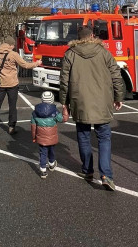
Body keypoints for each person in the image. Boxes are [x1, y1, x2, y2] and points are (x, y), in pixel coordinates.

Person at [59, 25, 124, 191]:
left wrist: (64, 104)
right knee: (104, 138)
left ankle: (88, 170)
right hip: (102, 101)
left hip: (79, 101)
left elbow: (64, 82)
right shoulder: (104, 52)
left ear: (78, 38)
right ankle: (106, 175)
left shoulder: (70, 54)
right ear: (93, 35)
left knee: (83, 136)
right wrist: (118, 96)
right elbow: (116, 74)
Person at [0, 36, 42, 135]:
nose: (13, 47)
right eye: (12, 45)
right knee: (12, 106)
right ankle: (11, 127)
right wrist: (36, 63)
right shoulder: (13, 54)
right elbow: (25, 65)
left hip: (1, 83)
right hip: (12, 83)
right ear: (10, 45)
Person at [31, 90, 66, 179]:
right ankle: (51, 163)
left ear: (42, 99)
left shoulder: (35, 112)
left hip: (41, 137)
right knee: (51, 150)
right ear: (52, 100)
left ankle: (43, 170)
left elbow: (33, 126)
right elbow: (63, 119)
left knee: (43, 153)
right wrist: (65, 109)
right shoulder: (55, 111)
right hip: (52, 137)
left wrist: (34, 137)